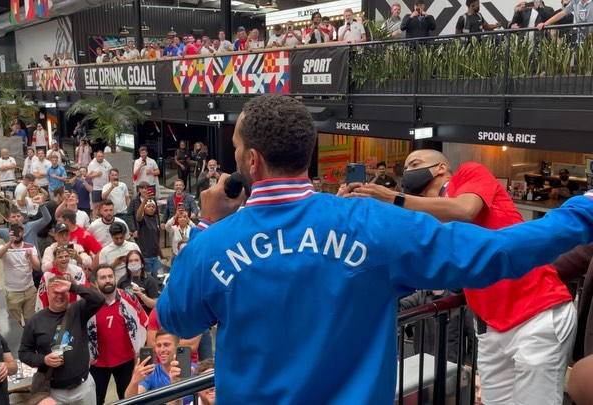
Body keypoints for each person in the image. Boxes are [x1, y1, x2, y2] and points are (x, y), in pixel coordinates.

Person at [155, 93, 593, 404]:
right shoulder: (371, 225)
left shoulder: (212, 244)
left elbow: (175, 316)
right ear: (307, 153)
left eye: (235, 150)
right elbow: (495, 253)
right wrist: (582, 212)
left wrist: (212, 224)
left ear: (252, 162)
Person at [342, 149, 581, 404]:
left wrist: (393, 198)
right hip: (491, 326)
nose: (409, 171)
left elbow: (465, 210)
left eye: (416, 163)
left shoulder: (469, 173)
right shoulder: (420, 218)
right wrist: (354, 209)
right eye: (407, 167)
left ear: (441, 168)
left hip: (536, 313)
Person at [19, 277, 103, 405]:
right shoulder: (35, 321)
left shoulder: (78, 310)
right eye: (54, 292)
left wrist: (73, 286)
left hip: (84, 388)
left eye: (62, 292)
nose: (59, 296)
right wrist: (44, 359)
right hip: (54, 393)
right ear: (47, 293)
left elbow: (99, 299)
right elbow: (24, 353)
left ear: (69, 293)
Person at [88, 265, 148, 404]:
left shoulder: (130, 298)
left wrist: (140, 359)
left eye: (110, 276)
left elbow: (144, 326)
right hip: (98, 363)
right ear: (96, 283)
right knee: (96, 400)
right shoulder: (88, 304)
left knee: (128, 399)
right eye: (103, 278)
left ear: (115, 278)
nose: (107, 280)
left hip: (125, 361)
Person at [123, 329, 194, 400]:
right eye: (158, 345)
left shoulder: (192, 370)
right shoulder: (151, 373)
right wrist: (134, 381)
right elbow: (130, 400)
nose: (162, 350)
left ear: (177, 346)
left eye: (166, 345)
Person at [0, 224, 40, 324]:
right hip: (13, 293)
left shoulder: (30, 247)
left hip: (29, 291)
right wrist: (9, 243)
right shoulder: (4, 247)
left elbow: (37, 267)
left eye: (19, 231)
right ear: (9, 233)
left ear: (23, 232)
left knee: (30, 321)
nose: (17, 234)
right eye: (14, 231)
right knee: (15, 324)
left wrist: (31, 257)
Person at [87, 151, 113, 220]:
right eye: (99, 156)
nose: (100, 158)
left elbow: (111, 172)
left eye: (101, 156)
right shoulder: (92, 164)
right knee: (96, 205)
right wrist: (96, 175)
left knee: (105, 205)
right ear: (96, 157)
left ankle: (104, 218)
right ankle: (94, 220)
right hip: (96, 188)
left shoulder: (106, 162)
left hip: (105, 188)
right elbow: (88, 176)